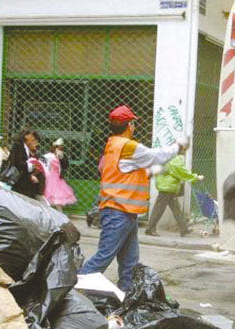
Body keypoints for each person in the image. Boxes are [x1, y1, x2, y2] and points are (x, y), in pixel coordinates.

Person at [79, 105, 187, 291]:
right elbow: (157, 156)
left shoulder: (112, 145)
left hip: (124, 212)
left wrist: (151, 171)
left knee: (129, 262)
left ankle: (126, 298)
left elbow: (124, 171)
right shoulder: (128, 146)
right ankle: (71, 290)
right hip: (119, 213)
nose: (134, 127)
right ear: (129, 125)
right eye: (133, 123)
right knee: (103, 258)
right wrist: (177, 146)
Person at [145, 145, 204, 237]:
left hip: (166, 186)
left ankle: (184, 228)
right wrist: (196, 177)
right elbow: (182, 172)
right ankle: (150, 229)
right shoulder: (175, 159)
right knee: (159, 209)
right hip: (168, 187)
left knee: (175, 208)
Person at [3, 129, 46, 201]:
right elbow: (16, 162)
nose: (33, 140)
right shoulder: (18, 146)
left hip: (31, 185)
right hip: (20, 182)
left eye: (35, 139)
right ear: (25, 136)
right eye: (31, 137)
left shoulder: (33, 150)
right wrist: (31, 167)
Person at [42, 138, 78, 211]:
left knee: (58, 196)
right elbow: (43, 165)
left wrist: (61, 158)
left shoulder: (62, 156)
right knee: (48, 196)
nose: (60, 149)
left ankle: (60, 213)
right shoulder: (48, 156)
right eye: (58, 148)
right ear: (54, 147)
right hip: (49, 177)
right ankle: (48, 211)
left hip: (58, 178)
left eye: (61, 148)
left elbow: (65, 165)